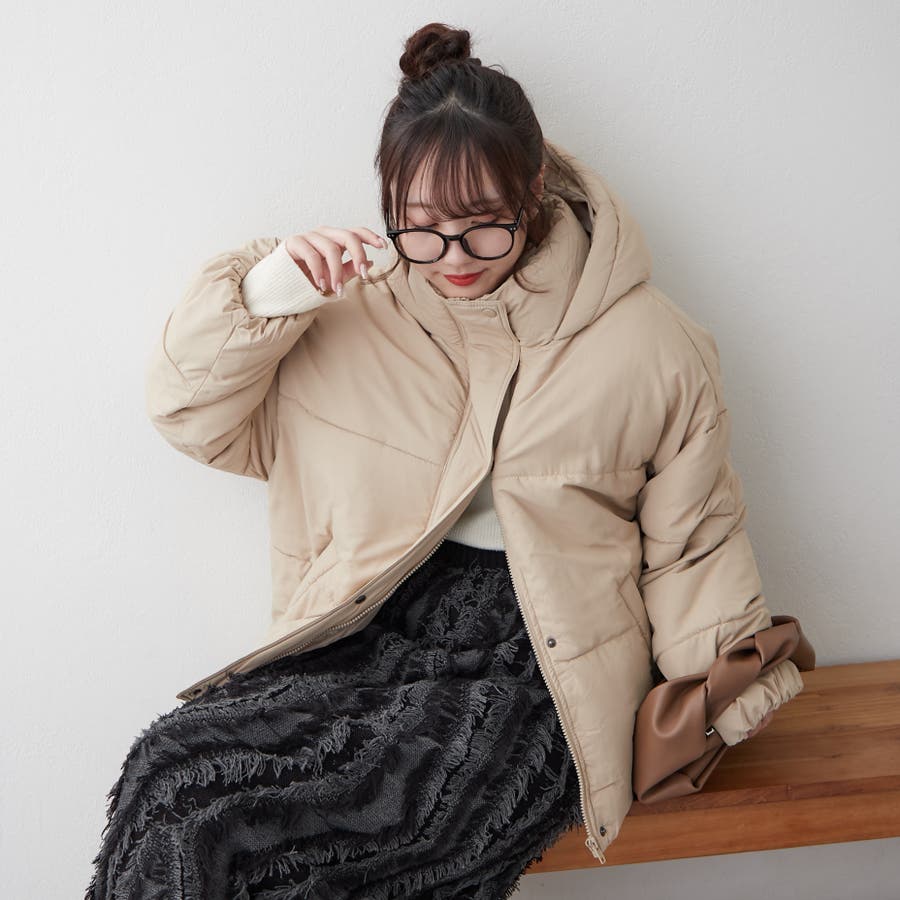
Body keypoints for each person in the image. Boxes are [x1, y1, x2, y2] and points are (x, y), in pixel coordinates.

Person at [84, 20, 804, 899]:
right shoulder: (347, 311)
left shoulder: (651, 343)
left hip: (536, 668)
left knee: (270, 840)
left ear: (532, 190)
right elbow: (193, 419)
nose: (453, 259)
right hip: (359, 639)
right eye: (422, 230)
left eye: (484, 228)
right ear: (387, 200)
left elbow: (693, 541)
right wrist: (265, 294)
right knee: (169, 775)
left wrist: (728, 686)